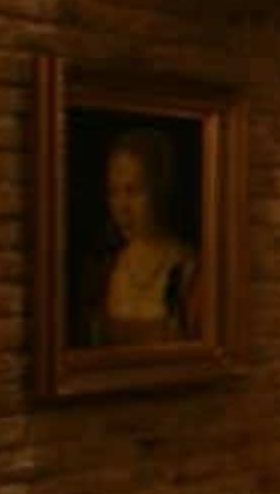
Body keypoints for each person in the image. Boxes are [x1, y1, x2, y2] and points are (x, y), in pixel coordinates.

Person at [82, 127, 195, 346]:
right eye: (114, 192)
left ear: (159, 191)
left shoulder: (188, 269)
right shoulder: (101, 268)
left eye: (133, 191)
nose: (122, 207)